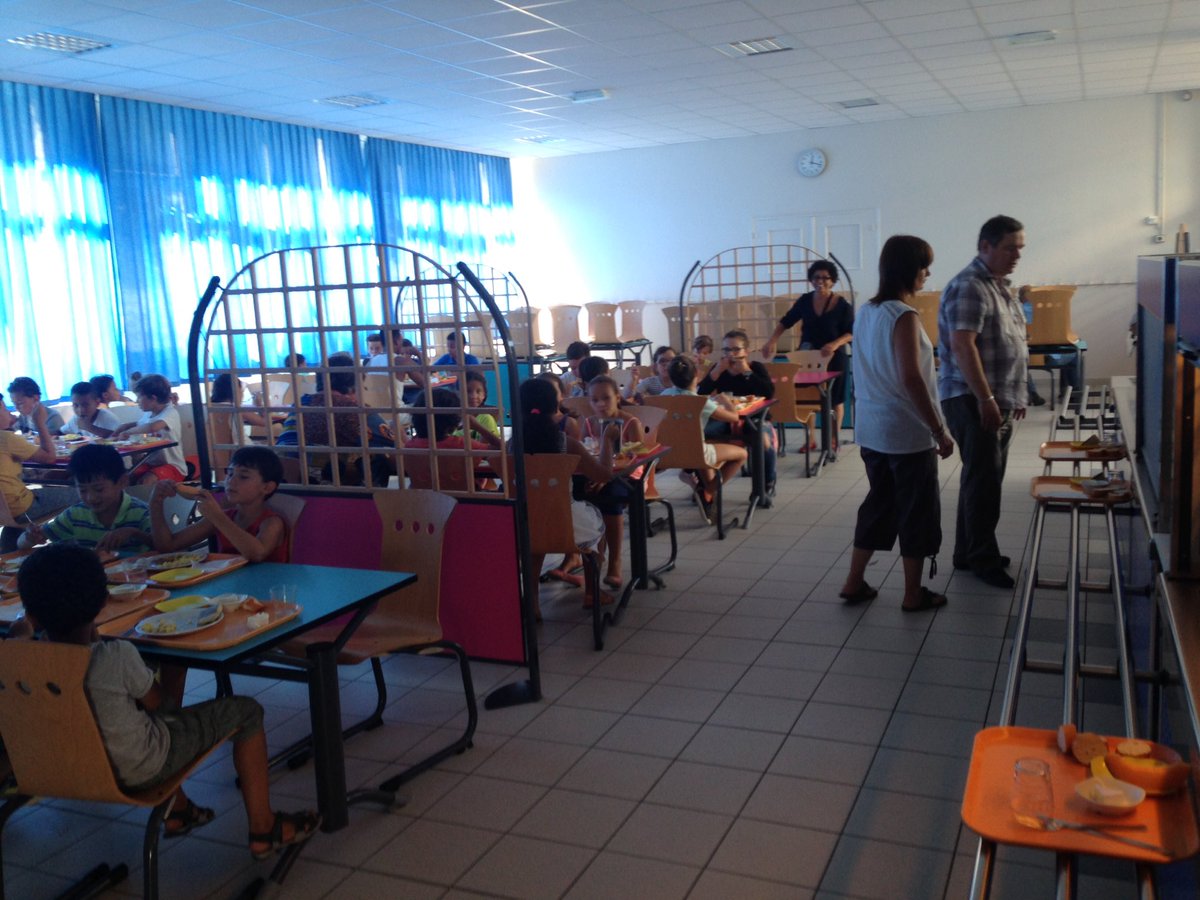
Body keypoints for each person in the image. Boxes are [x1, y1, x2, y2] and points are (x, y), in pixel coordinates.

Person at [15, 543, 319, 854]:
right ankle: (264, 828)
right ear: (103, 603)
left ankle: (180, 810)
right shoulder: (116, 657)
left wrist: (22, 635)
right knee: (245, 711)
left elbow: (42, 645)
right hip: (138, 770)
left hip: (52, 769)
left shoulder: (17, 661)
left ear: (31, 615)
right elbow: (164, 708)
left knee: (131, 719)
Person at [840, 235, 956, 612]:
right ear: (909, 269)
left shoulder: (867, 313)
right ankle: (912, 593)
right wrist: (938, 429)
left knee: (878, 505)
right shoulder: (903, 315)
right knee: (916, 512)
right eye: (924, 266)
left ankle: (854, 581)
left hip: (872, 430)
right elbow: (911, 378)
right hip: (905, 433)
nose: (927, 273)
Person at [938, 214, 1028, 589]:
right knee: (985, 480)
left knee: (982, 478)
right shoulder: (970, 286)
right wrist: (987, 398)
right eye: (1010, 248)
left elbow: (1010, 343)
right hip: (971, 398)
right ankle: (982, 558)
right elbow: (962, 345)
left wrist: (1014, 393)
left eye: (1020, 249)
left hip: (992, 397)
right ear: (985, 246)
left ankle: (968, 550)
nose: (1016, 256)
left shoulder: (998, 286)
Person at [516, 377, 613, 615]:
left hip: (522, 525)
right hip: (565, 524)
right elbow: (604, 475)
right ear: (555, 406)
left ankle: (533, 603)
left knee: (534, 547)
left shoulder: (512, 445)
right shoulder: (565, 443)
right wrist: (608, 440)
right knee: (596, 526)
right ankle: (592, 591)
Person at [761, 260, 854, 452]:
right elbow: (786, 322)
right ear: (811, 280)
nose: (820, 281)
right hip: (807, 357)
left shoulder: (842, 304)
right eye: (816, 278)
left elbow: (852, 332)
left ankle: (833, 439)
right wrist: (772, 341)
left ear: (832, 281)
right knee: (807, 397)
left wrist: (835, 344)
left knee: (835, 399)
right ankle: (811, 438)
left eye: (825, 278)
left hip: (834, 357)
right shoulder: (805, 300)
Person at [150, 446, 287, 562]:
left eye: (243, 476)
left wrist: (217, 516)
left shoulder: (272, 522)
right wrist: (155, 503)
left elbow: (257, 554)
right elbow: (168, 546)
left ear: (267, 488)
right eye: (230, 473)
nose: (231, 481)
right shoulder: (225, 517)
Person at [276, 356, 392, 487]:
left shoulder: (301, 403)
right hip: (324, 489)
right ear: (353, 385)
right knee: (379, 458)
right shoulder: (353, 410)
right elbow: (396, 445)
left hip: (281, 482)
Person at [662, 354, 747, 523]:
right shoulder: (700, 402)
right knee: (742, 454)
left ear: (670, 377)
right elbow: (734, 418)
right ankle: (708, 488)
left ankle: (702, 490)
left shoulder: (662, 396)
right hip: (697, 452)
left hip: (667, 454)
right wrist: (726, 401)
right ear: (697, 376)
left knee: (704, 450)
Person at [18, 444, 151, 551]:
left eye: (99, 489)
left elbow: (163, 549)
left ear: (122, 482)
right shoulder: (76, 515)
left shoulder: (141, 513)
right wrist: (30, 537)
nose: (91, 497)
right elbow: (24, 544)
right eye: (82, 490)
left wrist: (135, 533)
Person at [698, 329, 777, 494]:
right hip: (725, 418)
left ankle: (766, 484)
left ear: (746, 352)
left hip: (755, 417)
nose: (731, 354)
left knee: (763, 440)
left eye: (736, 349)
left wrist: (746, 372)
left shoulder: (756, 368)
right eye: (727, 350)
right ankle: (704, 486)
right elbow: (700, 394)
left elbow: (768, 393)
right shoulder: (718, 369)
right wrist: (716, 372)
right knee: (697, 435)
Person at [0, 397, 77, 550]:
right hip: (19, 506)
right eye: (4, 408)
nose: (9, 411)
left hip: (4, 510)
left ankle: (11, 549)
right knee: (82, 496)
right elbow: (49, 457)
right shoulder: (5, 439)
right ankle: (73, 550)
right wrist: (40, 422)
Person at [111, 375, 187, 486]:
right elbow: (141, 424)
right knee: (126, 478)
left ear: (153, 398)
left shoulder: (170, 412)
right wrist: (126, 426)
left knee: (146, 481)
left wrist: (129, 432)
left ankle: (149, 503)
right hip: (151, 463)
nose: (137, 401)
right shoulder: (148, 414)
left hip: (173, 466)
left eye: (139, 397)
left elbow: (153, 427)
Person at [455, 371, 502, 447]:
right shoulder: (452, 416)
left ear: (484, 395)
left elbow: (487, 449)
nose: (473, 396)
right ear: (458, 393)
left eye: (478, 391)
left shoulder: (486, 418)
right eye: (468, 391)